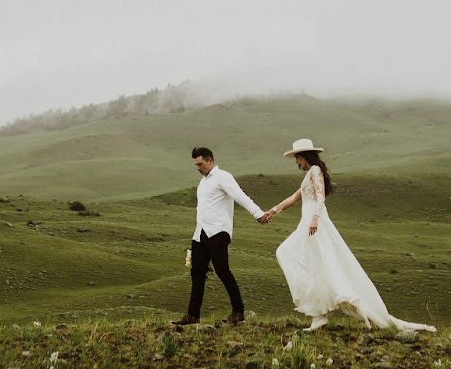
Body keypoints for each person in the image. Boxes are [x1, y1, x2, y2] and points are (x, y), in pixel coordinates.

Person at [266, 138, 435, 333]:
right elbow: (294, 198)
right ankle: (318, 316)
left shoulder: (315, 171)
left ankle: (319, 315)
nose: (296, 162)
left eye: (297, 158)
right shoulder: (308, 176)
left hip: (313, 223)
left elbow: (320, 197)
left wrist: (314, 219)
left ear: (304, 156)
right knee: (311, 264)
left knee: (291, 255)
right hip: (309, 222)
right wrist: (272, 211)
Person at [173, 146, 270, 327]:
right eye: (196, 165)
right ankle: (193, 315)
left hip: (218, 231)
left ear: (210, 161)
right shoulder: (203, 183)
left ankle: (238, 311)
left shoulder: (223, 177)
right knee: (197, 272)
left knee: (222, 270)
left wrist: (258, 213)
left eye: (200, 164)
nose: (198, 168)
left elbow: (240, 196)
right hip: (201, 233)